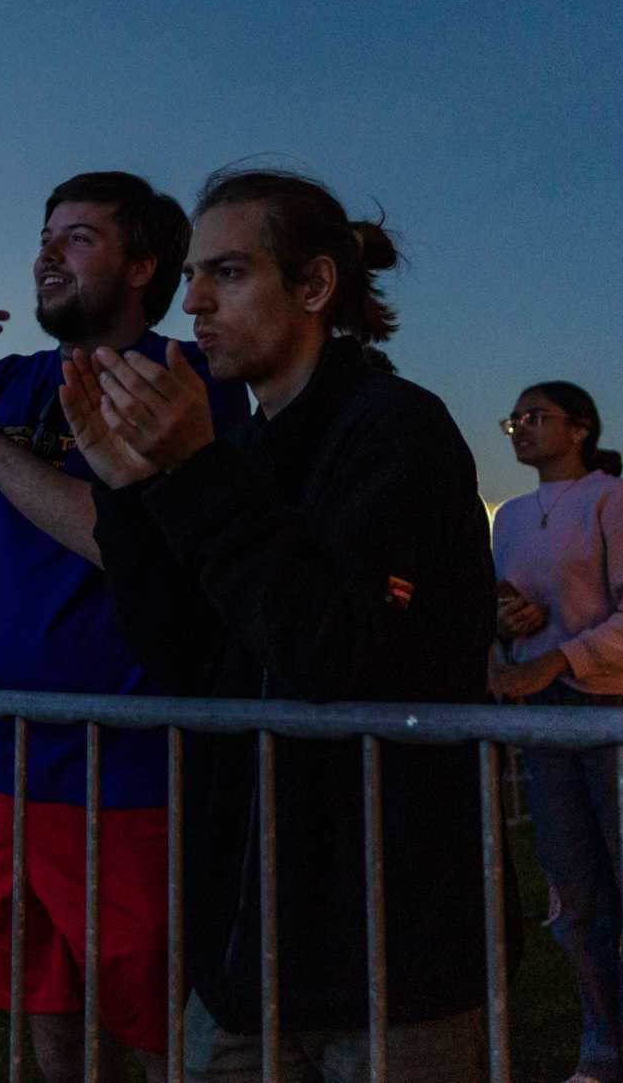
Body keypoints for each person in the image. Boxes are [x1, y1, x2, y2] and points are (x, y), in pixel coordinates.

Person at [64, 168, 507, 1083]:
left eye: (225, 273)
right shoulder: (239, 454)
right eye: (191, 275)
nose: (191, 302)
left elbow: (327, 649)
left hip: (387, 956)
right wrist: (128, 492)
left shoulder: (397, 430)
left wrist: (190, 472)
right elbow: (184, 655)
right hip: (243, 953)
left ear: (312, 287)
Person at [0, 171, 249, 1082]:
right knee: (48, 1024)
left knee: (154, 1033)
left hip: (129, 766)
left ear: (143, 264)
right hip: (2, 762)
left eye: (78, 237)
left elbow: (125, 544)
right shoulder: (12, 382)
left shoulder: (189, 381)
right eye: (44, 234)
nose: (46, 253)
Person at [489, 381, 623, 1083]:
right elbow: (513, 604)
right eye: (513, 418)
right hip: (551, 716)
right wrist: (507, 626)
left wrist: (560, 654)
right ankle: (604, 1045)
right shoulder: (511, 517)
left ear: (579, 427)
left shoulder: (620, 500)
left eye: (536, 415)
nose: (520, 427)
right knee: (574, 895)